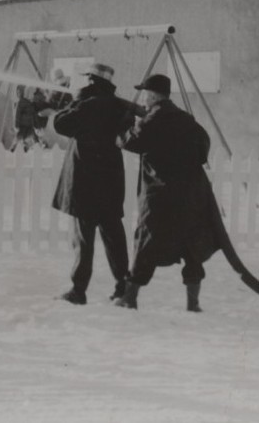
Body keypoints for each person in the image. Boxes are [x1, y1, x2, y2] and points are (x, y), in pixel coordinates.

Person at [114, 74, 220, 311]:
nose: (143, 97)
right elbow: (203, 146)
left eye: (144, 92)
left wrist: (121, 129)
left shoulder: (153, 119)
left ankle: (129, 298)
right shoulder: (185, 118)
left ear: (152, 95)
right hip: (189, 194)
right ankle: (193, 304)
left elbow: (132, 142)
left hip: (160, 194)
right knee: (190, 246)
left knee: (146, 241)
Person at [51, 63, 134, 304]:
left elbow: (60, 123)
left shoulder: (87, 104)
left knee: (83, 239)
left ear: (91, 81)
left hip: (86, 181)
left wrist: (77, 99)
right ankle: (123, 286)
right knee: (114, 237)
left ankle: (78, 290)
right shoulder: (117, 105)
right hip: (109, 180)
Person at [13, 85, 38, 151]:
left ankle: (25, 146)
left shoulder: (30, 103)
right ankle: (15, 147)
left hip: (28, 125)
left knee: (27, 136)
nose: (18, 94)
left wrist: (36, 125)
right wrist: (16, 126)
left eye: (20, 92)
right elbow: (17, 115)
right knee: (20, 137)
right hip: (23, 125)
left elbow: (34, 115)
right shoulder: (21, 102)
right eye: (17, 92)